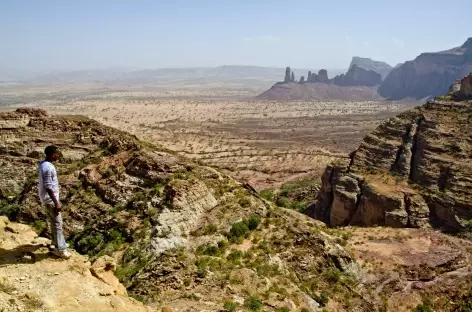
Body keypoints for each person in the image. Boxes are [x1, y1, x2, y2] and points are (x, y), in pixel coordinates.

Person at [38, 145, 71, 259]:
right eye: (56, 153)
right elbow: (48, 186)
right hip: (50, 200)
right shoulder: (48, 168)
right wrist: (56, 202)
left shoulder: (43, 164)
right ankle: (61, 250)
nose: (57, 155)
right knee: (58, 224)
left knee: (53, 222)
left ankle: (55, 243)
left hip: (45, 199)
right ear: (52, 155)